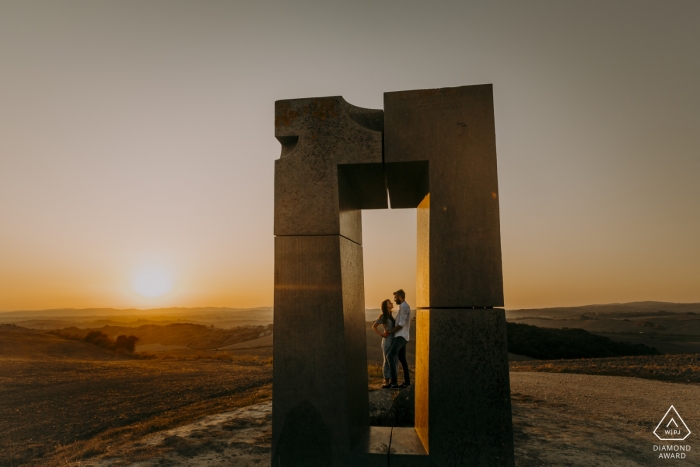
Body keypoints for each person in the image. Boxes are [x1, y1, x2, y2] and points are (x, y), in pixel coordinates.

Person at [384, 289, 411, 389]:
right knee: (402, 359)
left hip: (400, 336)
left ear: (400, 297)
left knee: (390, 355)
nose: (394, 300)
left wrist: (391, 332)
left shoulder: (404, 307)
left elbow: (401, 324)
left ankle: (394, 383)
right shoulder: (404, 307)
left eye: (395, 298)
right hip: (403, 336)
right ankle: (407, 382)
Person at [371, 299, 396, 386]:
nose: (392, 303)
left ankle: (392, 379)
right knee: (386, 361)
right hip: (387, 341)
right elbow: (374, 326)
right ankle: (386, 380)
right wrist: (381, 334)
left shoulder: (391, 316)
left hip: (393, 340)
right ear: (386, 306)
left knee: (393, 360)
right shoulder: (383, 317)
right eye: (389, 303)